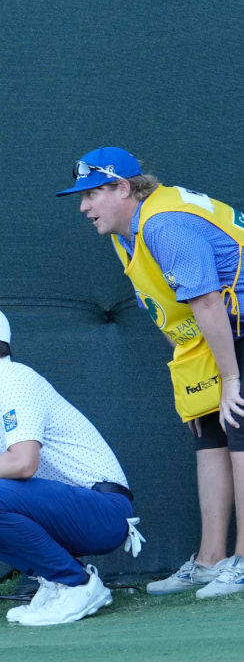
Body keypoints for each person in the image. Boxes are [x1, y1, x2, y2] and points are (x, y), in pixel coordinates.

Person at [57, 147, 244, 599]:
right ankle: (211, 558)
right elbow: (169, 310)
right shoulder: (128, 232)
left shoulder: (164, 224)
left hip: (233, 322)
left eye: (91, 194)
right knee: (209, 433)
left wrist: (232, 380)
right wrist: (195, 374)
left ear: (123, 188)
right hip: (214, 332)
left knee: (239, 424)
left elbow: (206, 302)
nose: (83, 207)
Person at [0, 302, 142, 625]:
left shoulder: (13, 379)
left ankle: (76, 584)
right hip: (67, 509)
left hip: (105, 512)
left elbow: (23, 465)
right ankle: (53, 578)